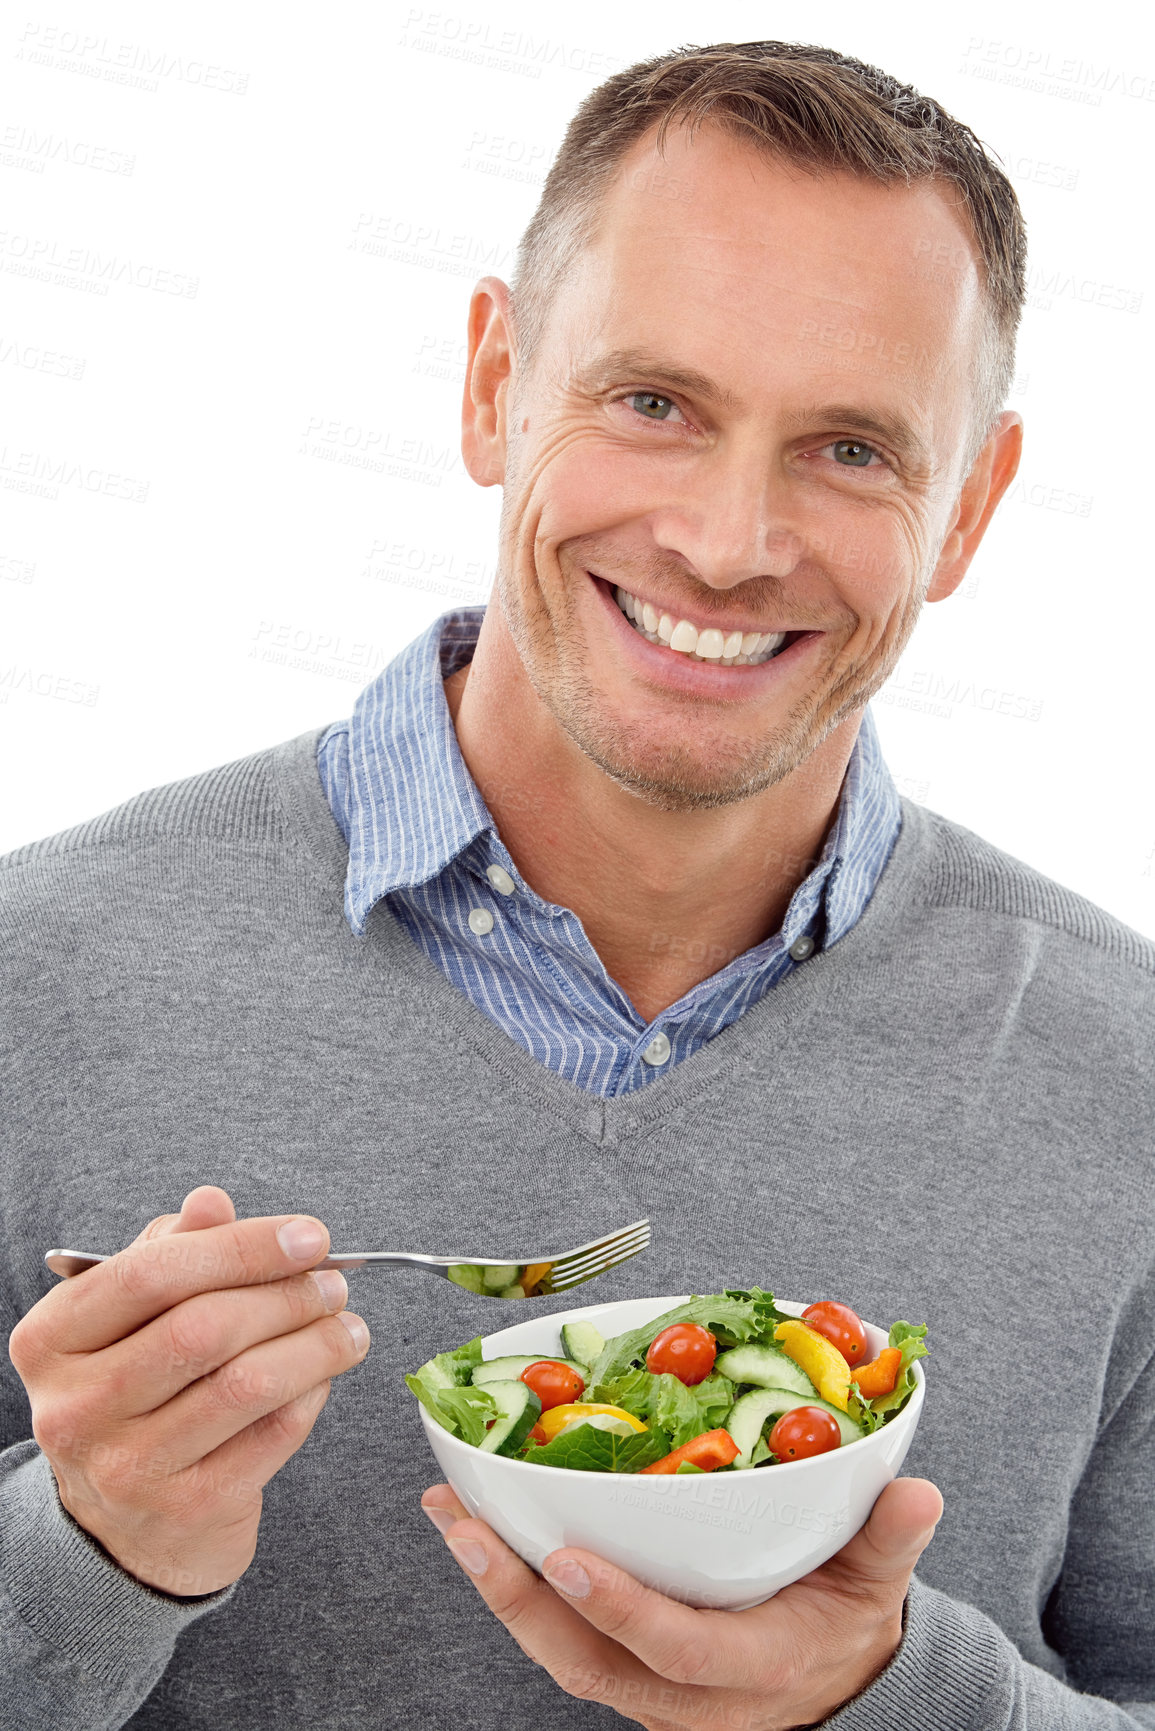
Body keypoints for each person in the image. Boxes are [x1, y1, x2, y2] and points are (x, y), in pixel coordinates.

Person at [1, 38, 1152, 1731]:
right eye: (653, 403)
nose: (727, 539)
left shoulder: (1128, 1077)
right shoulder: (41, 983)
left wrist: (901, 1697)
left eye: (850, 449)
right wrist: (87, 1551)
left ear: (969, 507)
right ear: (493, 382)